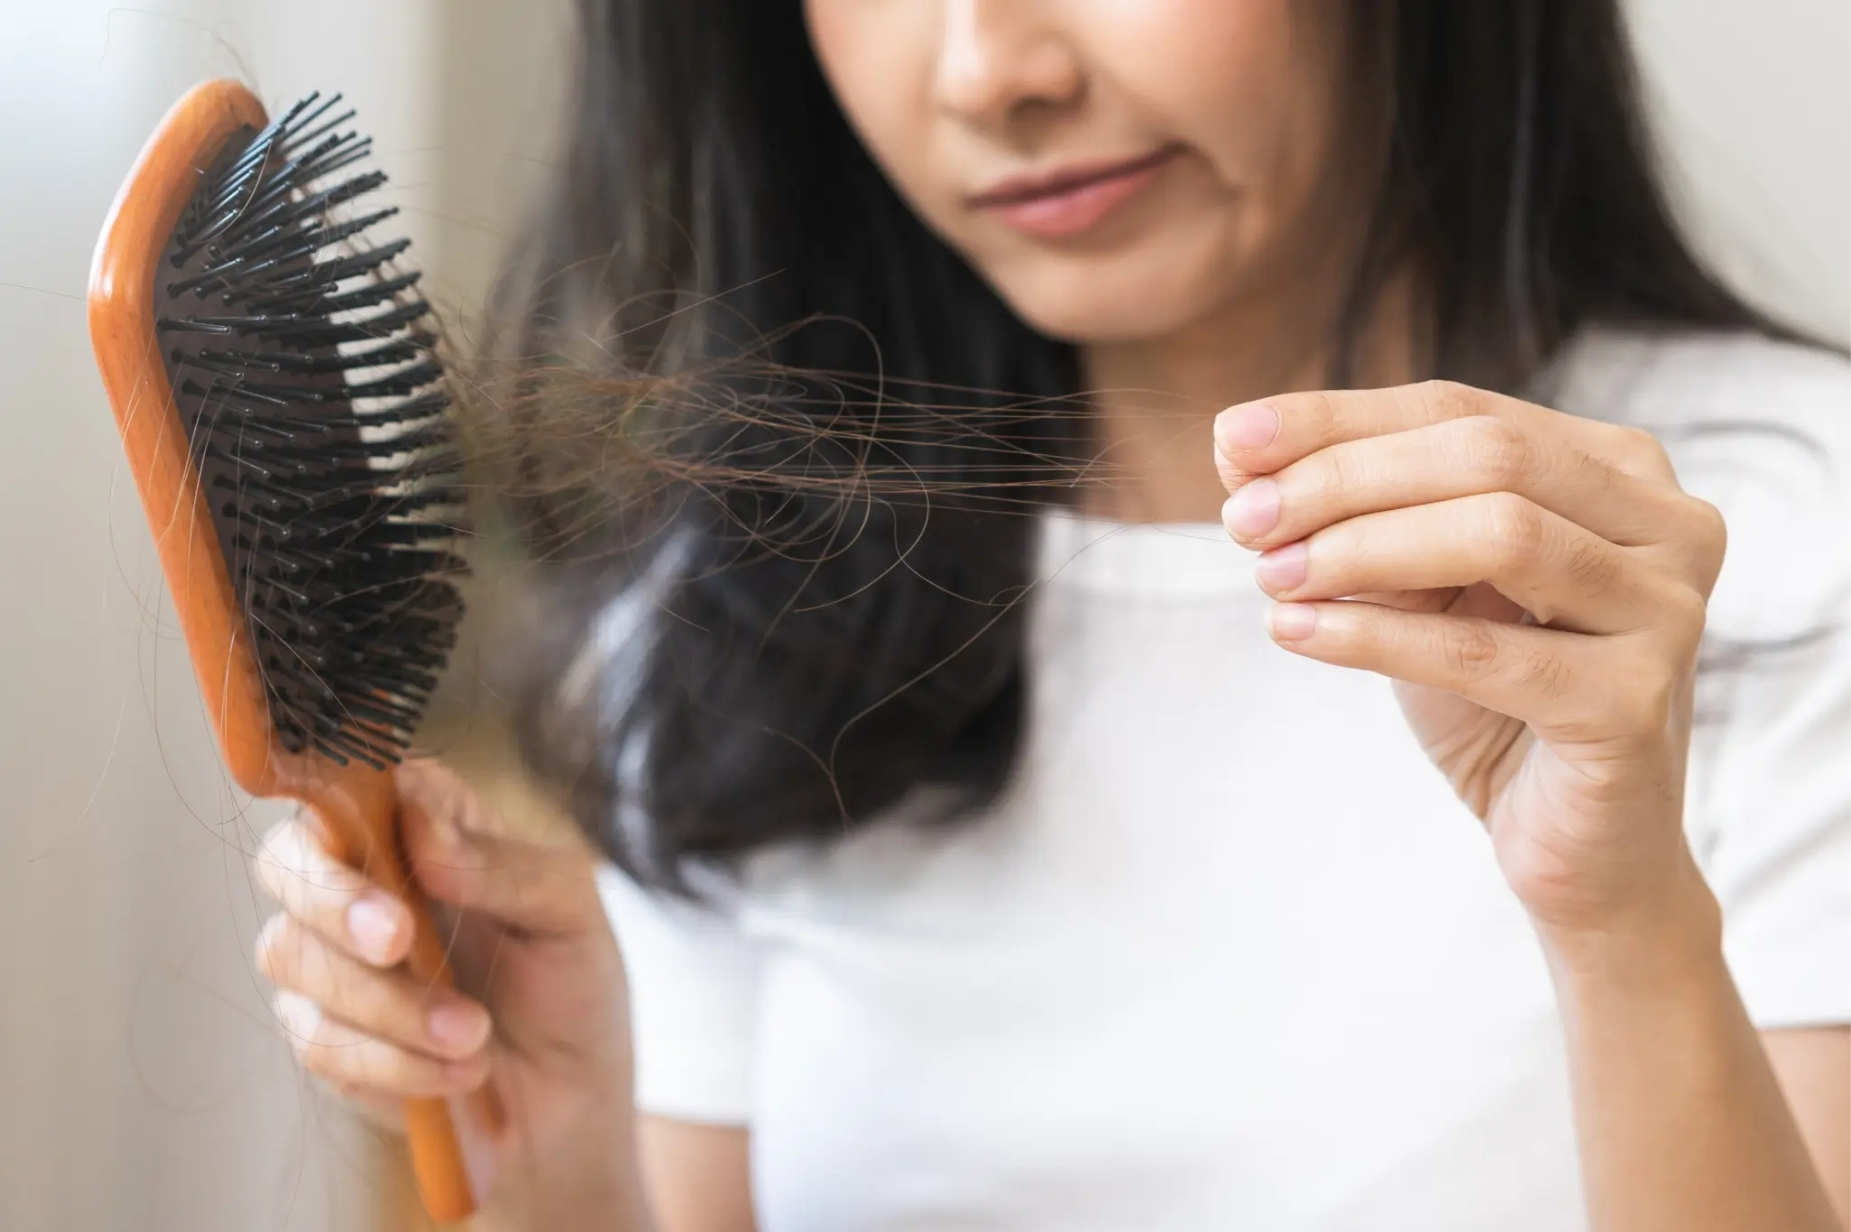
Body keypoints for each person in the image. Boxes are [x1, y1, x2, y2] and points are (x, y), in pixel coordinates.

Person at [250, 2, 1850, 1228]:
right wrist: (572, 1176)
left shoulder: (1783, 525)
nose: (988, 71)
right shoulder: (737, 615)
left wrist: (1626, 923)